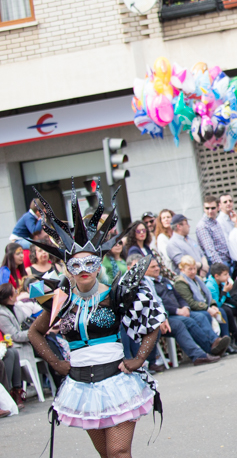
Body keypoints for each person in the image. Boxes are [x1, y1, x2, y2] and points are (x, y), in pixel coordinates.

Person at [25, 188, 166, 455]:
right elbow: (35, 332)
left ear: (98, 265)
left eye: (90, 263)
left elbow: (153, 323)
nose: (84, 271)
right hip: (80, 387)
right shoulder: (61, 299)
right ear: (68, 268)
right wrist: (56, 363)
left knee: (118, 452)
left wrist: (138, 360)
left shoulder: (116, 294)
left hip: (117, 381)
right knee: (106, 455)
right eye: (76, 266)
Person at [149, 257, 229, 364]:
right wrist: (178, 311)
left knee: (201, 316)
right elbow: (160, 304)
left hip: (182, 310)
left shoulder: (164, 280)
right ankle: (210, 350)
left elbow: (180, 298)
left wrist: (185, 308)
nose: (157, 268)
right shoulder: (150, 284)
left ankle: (215, 342)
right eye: (152, 267)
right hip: (170, 314)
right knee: (189, 321)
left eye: (157, 266)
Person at [173, 256, 237, 354]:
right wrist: (207, 308)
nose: (193, 271)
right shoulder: (181, 282)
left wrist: (212, 305)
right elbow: (190, 302)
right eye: (189, 269)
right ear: (182, 269)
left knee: (221, 311)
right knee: (205, 315)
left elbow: (207, 294)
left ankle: (225, 343)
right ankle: (214, 342)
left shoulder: (198, 279)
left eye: (194, 268)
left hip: (204, 306)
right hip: (194, 309)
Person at [204, 262, 237, 352]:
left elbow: (227, 299)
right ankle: (233, 339)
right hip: (215, 309)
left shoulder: (222, 283)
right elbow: (217, 304)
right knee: (226, 311)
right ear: (217, 276)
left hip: (222, 304)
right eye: (225, 274)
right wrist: (225, 292)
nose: (228, 276)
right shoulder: (210, 286)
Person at [196, 195, 233, 270]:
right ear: (203, 208)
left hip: (227, 260)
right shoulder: (203, 225)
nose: (210, 211)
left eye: (213, 208)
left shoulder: (215, 221)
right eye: (207, 208)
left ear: (218, 207)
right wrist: (221, 267)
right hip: (218, 265)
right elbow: (210, 250)